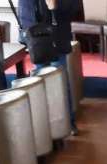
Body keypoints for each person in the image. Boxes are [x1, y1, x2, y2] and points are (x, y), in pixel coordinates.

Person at [17, 0, 79, 134]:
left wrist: (56, 6)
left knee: (60, 82)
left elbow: (75, 7)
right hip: (36, 37)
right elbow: (24, 9)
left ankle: (68, 122)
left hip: (58, 36)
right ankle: (45, 126)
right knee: (40, 83)